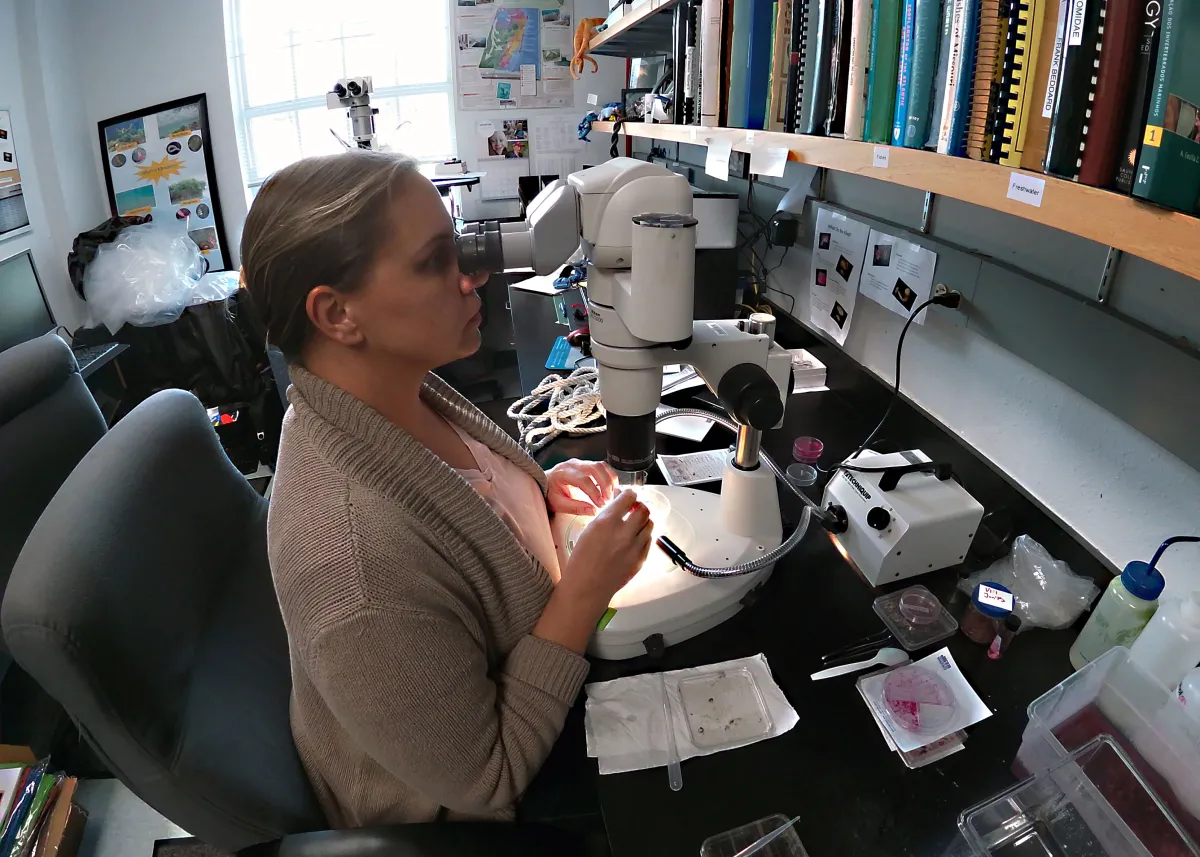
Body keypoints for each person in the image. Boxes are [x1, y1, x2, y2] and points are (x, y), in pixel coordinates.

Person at [240, 150, 654, 828]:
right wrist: (583, 591)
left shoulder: (394, 389)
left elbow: (456, 507)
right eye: (435, 260)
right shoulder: (352, 566)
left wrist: (536, 489)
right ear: (338, 314)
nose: (475, 275)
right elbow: (487, 780)